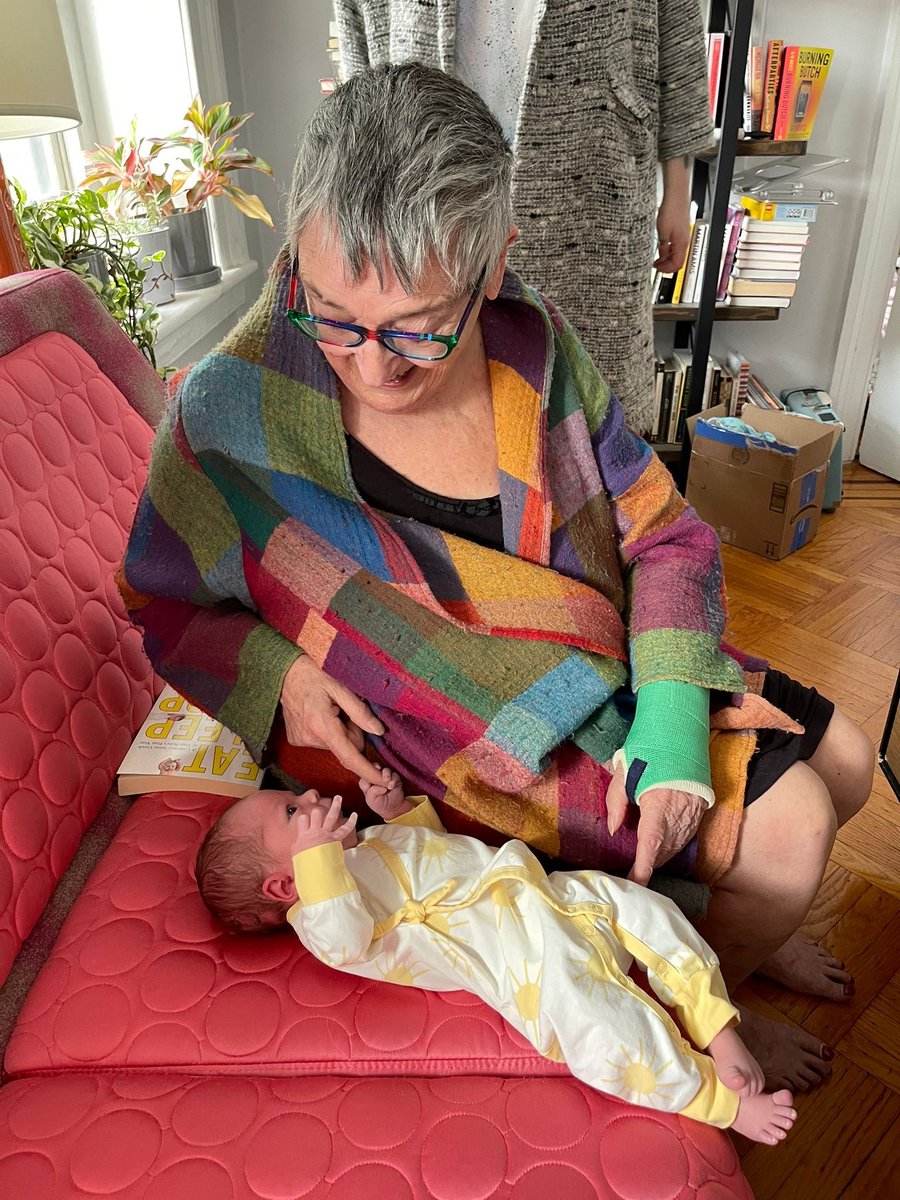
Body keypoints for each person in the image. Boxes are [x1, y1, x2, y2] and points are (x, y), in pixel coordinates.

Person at [119, 63, 875, 1091]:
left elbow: (666, 535)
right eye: (331, 312)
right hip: (438, 735)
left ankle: (720, 921)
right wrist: (282, 678)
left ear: (495, 269)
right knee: (793, 839)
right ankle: (704, 1022)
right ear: (296, 255)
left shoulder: (537, 347)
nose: (370, 365)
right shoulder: (227, 409)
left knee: (852, 764)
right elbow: (163, 599)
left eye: (419, 325)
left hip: (590, 661)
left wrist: (668, 720)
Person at [195, 769, 797, 1144]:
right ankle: (715, 1102)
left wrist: (396, 811)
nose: (307, 795)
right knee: (598, 1022)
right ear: (286, 885)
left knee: (650, 912)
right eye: (292, 811)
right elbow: (349, 935)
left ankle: (716, 1026)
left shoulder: (354, 853)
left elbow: (432, 852)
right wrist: (320, 862)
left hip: (539, 888)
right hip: (518, 953)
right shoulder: (321, 919)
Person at [332, 0, 710, 434]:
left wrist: (677, 189)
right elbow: (358, 46)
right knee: (451, 386)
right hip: (422, 179)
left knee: (593, 388)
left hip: (595, 177)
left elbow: (677, 39)